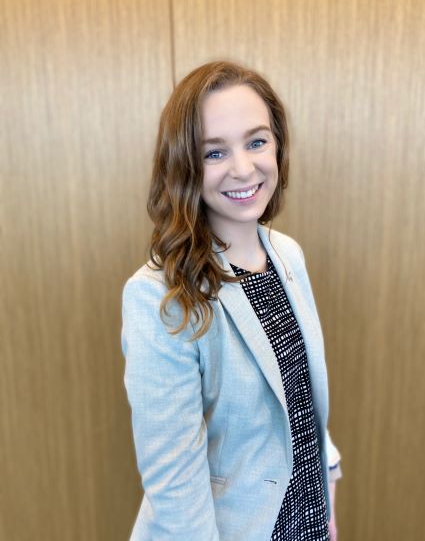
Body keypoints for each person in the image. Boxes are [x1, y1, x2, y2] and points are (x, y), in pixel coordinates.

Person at [121, 61, 342, 541]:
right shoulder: (158, 295)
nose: (244, 168)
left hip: (308, 519)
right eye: (214, 152)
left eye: (257, 141)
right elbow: (173, 479)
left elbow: (301, 397)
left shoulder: (286, 254)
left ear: (278, 145)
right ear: (185, 165)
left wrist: (326, 501)